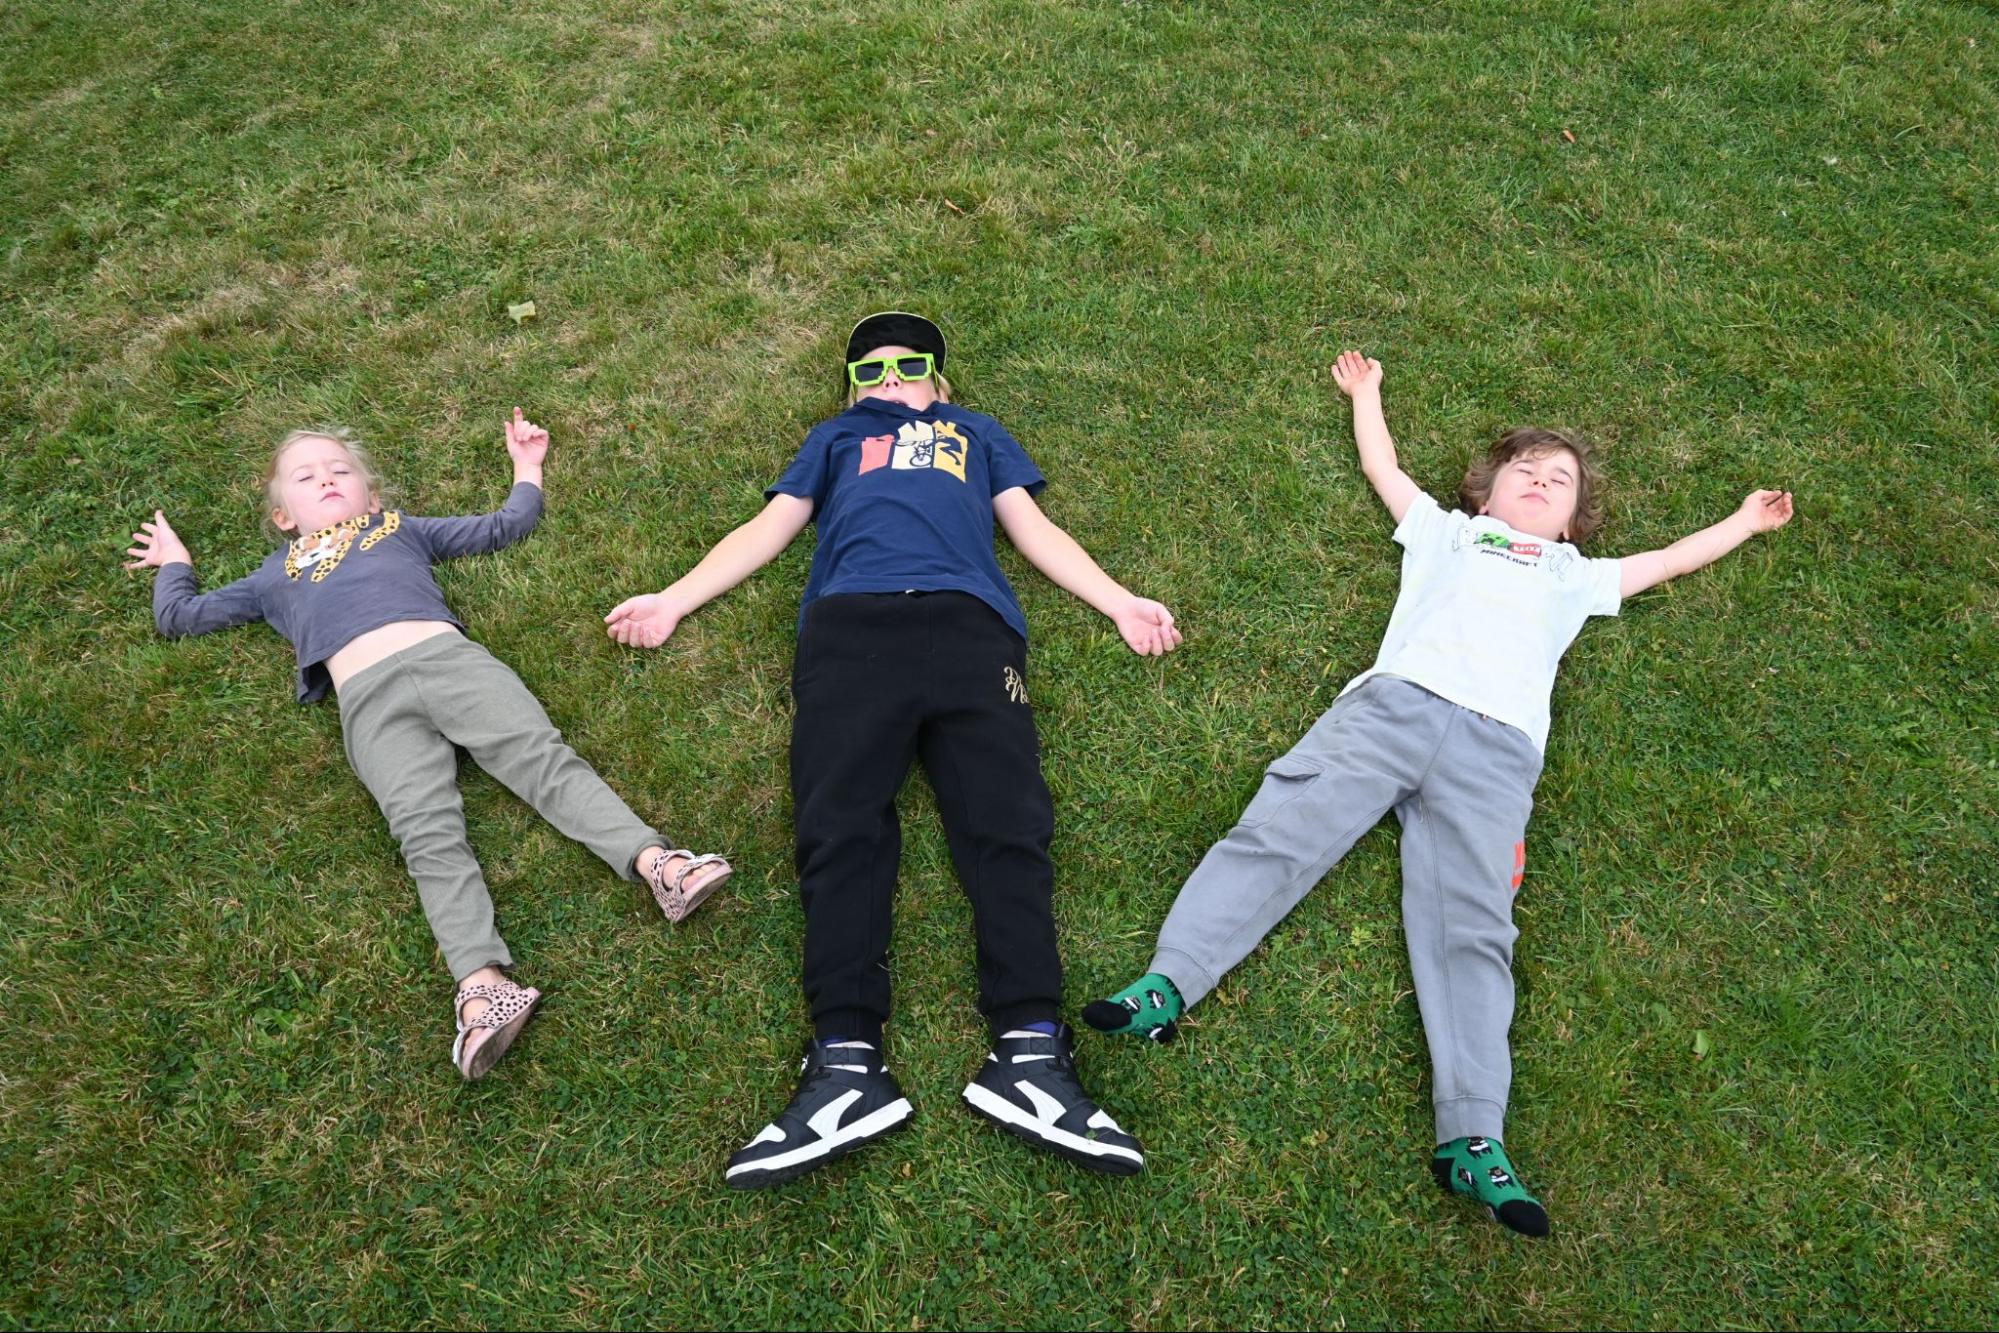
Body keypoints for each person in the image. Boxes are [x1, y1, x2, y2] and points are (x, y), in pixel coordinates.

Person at [1086, 349, 1794, 1236]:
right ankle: (1167, 983)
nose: (1539, 480)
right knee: (1278, 831)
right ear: (1484, 495)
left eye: (1558, 480)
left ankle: (1472, 1136)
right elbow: (1381, 468)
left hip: (1495, 757)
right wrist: (1366, 394)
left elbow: (1666, 560)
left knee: (1474, 928)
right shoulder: (1446, 534)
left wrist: (1740, 521)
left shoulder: (1576, 576)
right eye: (1523, 471)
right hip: (1390, 710)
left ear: (1574, 522)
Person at [606, 312, 1182, 1187]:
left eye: (909, 365)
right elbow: (772, 528)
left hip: (970, 631)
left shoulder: (974, 434)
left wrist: (1118, 600)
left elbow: (1030, 527)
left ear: (939, 382)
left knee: (1009, 827)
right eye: (867, 369)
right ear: (849, 387)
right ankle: (845, 1066)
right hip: (849, 634)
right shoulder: (835, 438)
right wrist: (676, 598)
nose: (887, 379)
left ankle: (1029, 1055)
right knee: (839, 831)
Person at [126, 412, 731, 1080]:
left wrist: (527, 468)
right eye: (306, 476)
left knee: (544, 762)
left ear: (372, 497)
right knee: (425, 833)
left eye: (340, 470)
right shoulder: (274, 576)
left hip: (450, 663)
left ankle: (660, 865)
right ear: (283, 516)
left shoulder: (398, 529)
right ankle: (482, 985)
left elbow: (505, 524)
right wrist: (174, 563)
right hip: (368, 705)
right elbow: (179, 617)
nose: (326, 479)